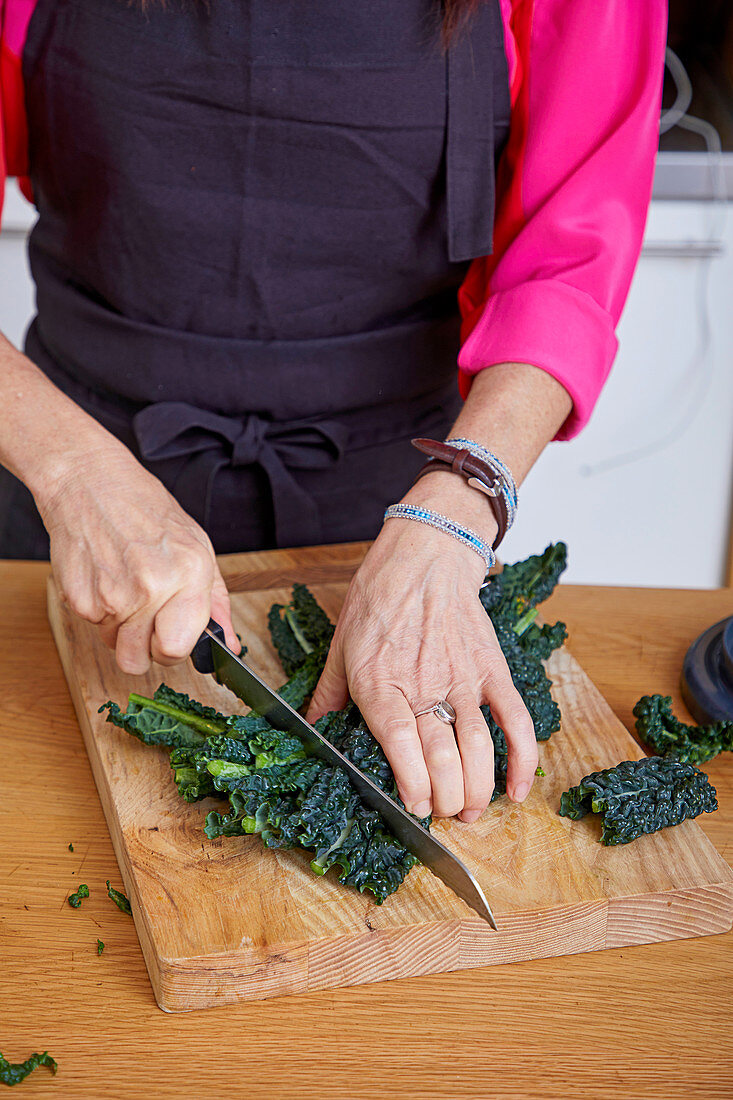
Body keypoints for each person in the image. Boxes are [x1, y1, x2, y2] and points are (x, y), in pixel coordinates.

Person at [0, 0, 666, 824]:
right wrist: (68, 469)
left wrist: (454, 517)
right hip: (70, 501)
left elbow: (570, 251)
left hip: (400, 512)